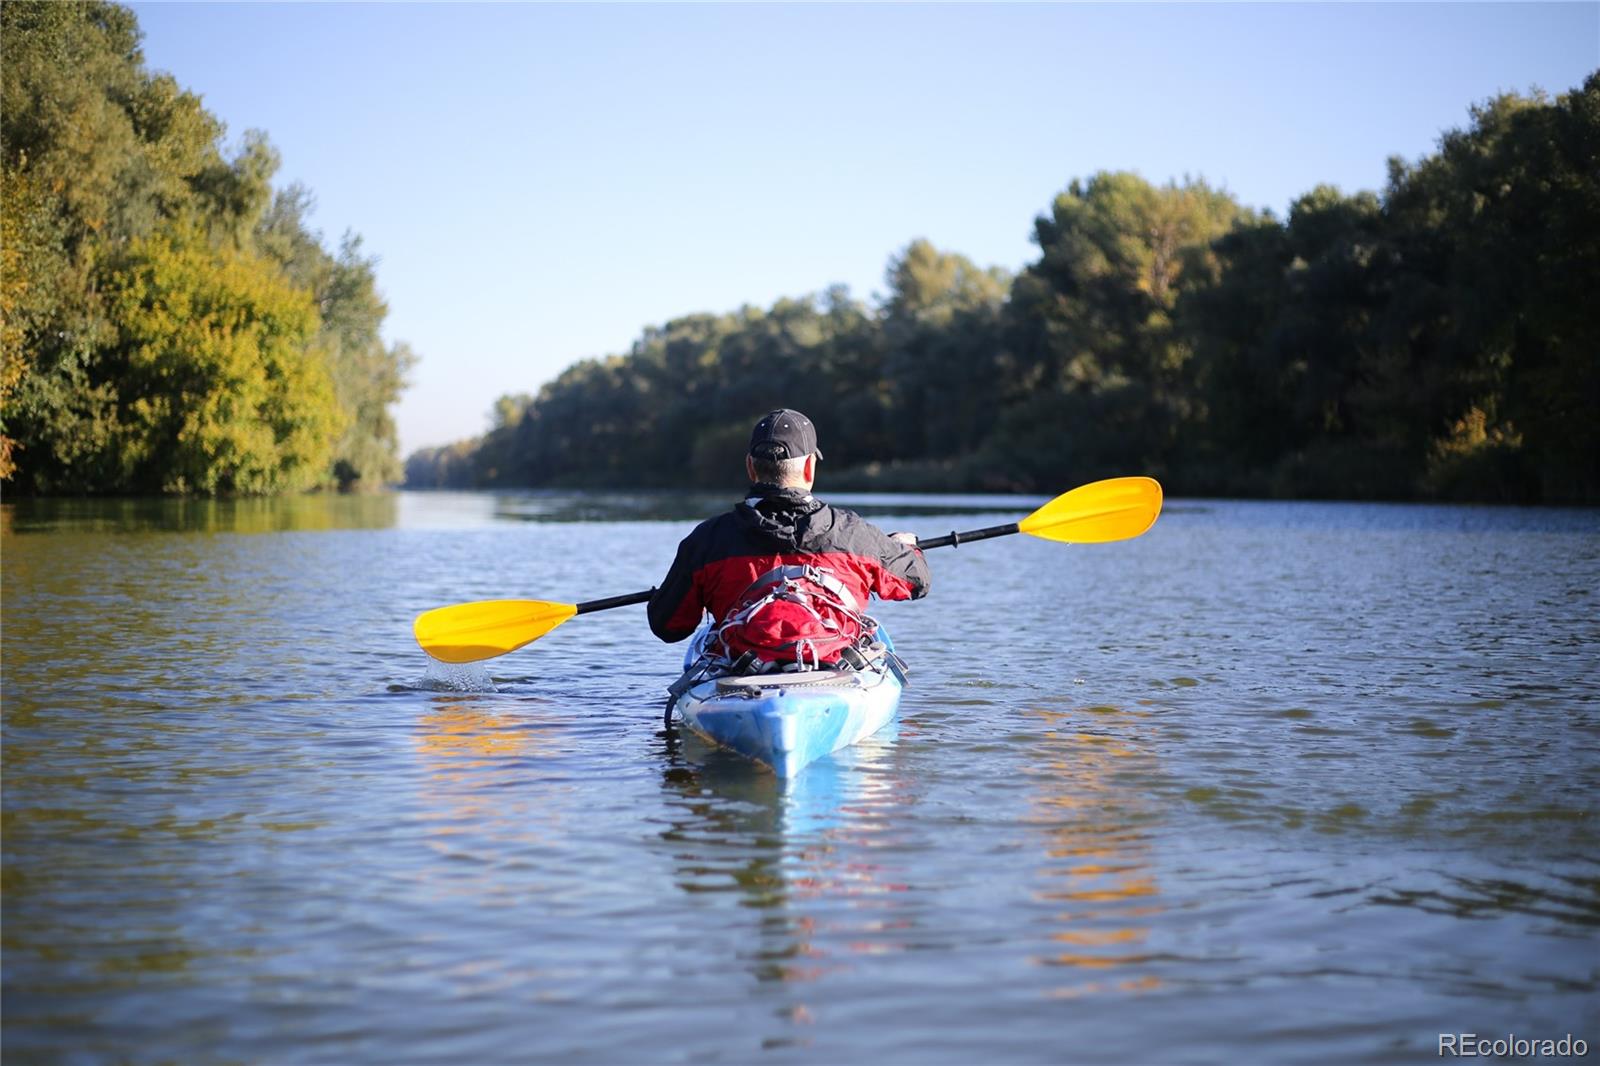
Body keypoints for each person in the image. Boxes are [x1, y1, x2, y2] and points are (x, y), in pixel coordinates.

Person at [647, 409, 929, 656]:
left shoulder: (707, 541)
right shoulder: (854, 534)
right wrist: (905, 547)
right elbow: (917, 582)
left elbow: (669, 627)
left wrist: (670, 591)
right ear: (809, 467)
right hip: (831, 668)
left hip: (743, 673)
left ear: (750, 467)